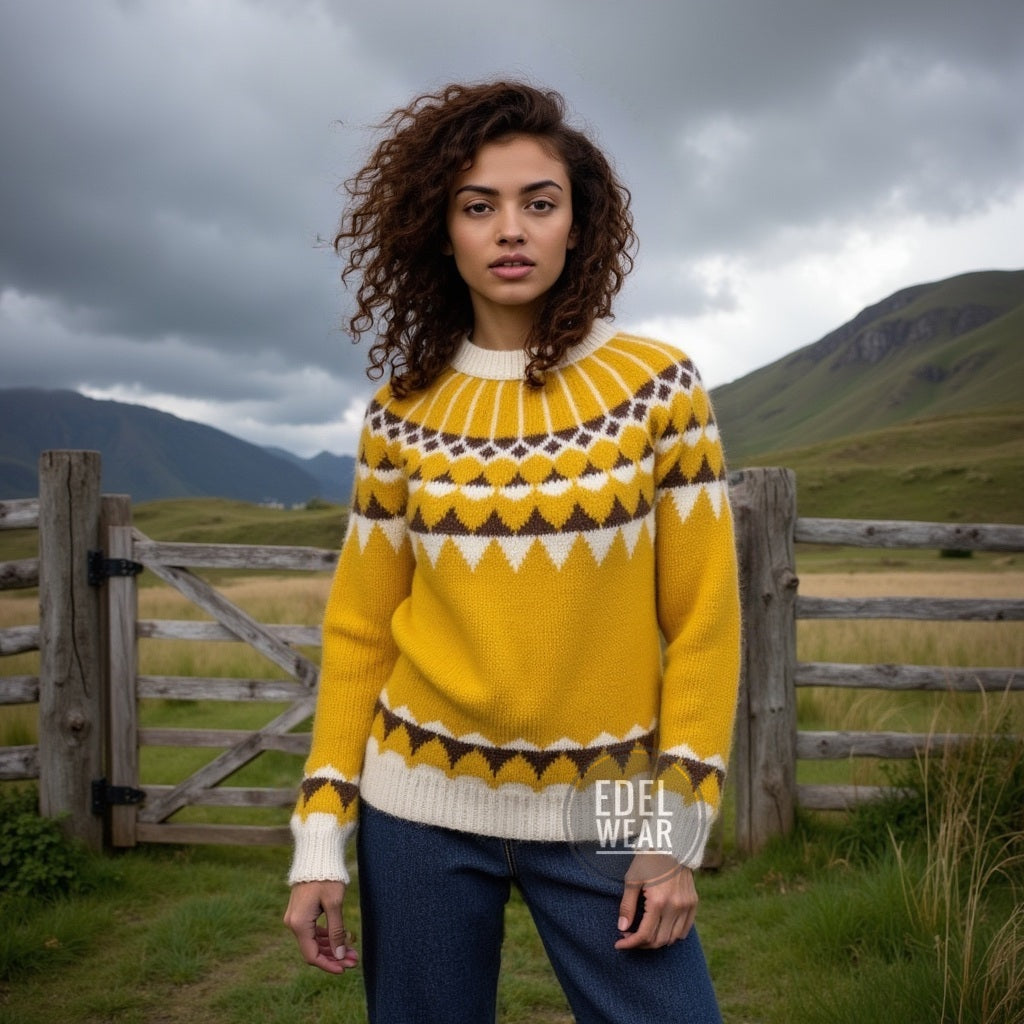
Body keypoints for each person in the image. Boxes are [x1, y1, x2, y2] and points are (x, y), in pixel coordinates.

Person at [283, 80, 741, 1024]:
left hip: (611, 804)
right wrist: (320, 839)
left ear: (579, 224)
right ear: (439, 230)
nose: (511, 230)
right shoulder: (401, 415)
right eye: (477, 206)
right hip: (419, 805)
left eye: (539, 202)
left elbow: (705, 622)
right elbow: (360, 629)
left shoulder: (658, 389)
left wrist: (678, 830)